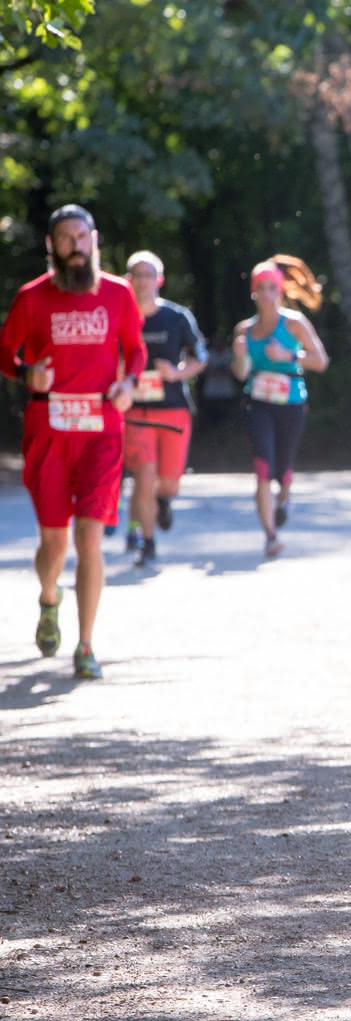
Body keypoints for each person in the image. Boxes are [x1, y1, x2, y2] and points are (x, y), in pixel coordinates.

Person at [0, 204, 147, 679]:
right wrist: (27, 373)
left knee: (90, 535)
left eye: (83, 237)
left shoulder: (119, 295)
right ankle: (49, 596)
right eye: (66, 238)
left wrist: (128, 384)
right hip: (50, 429)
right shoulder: (32, 298)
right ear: (51, 245)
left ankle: (86, 645)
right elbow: (6, 353)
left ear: (94, 240)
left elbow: (136, 350)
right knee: (55, 542)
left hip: (102, 430)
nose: (77, 247)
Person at [229, 255, 328, 559]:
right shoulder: (244, 330)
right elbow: (241, 374)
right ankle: (270, 535)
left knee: (283, 466)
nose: (267, 294)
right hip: (257, 403)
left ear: (280, 290)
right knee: (262, 467)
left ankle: (284, 498)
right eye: (262, 288)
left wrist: (289, 356)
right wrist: (240, 356)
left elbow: (321, 362)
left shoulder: (295, 324)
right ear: (254, 292)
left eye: (273, 287)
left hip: (291, 403)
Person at [122, 250, 209, 566]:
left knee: (169, 480)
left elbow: (201, 357)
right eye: (137, 275)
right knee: (143, 477)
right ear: (128, 280)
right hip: (135, 412)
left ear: (159, 280)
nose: (143, 282)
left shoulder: (177, 317)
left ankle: (164, 499)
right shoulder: (120, 316)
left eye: (149, 275)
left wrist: (177, 373)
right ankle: (148, 542)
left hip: (173, 410)